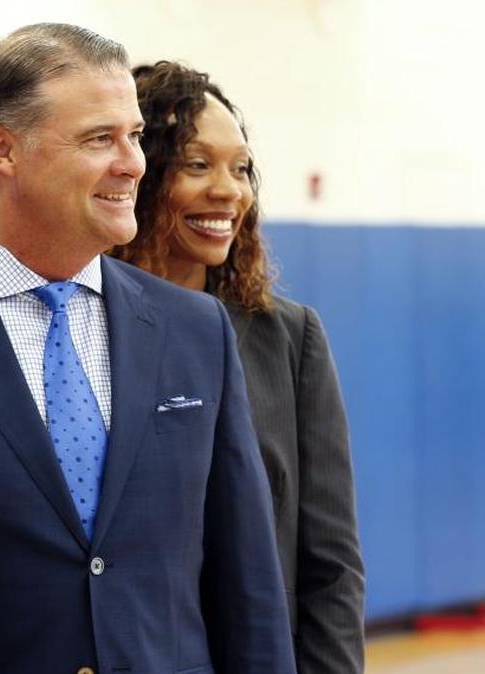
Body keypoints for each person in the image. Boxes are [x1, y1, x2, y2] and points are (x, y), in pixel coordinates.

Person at [0, 23, 295, 673]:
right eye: (100, 139)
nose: (132, 164)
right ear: (3, 149)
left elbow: (249, 585)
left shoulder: (195, 330)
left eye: (134, 137)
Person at [109, 60, 366, 673]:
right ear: (139, 177)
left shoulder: (289, 337)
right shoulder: (80, 328)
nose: (230, 190)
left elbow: (330, 566)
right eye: (198, 165)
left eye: (242, 167)